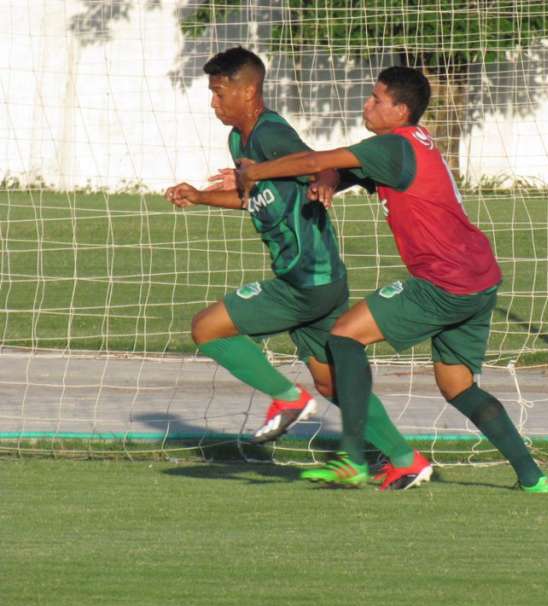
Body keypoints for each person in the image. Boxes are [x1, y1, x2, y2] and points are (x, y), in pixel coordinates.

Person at [227, 65, 548, 493]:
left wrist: (255, 172)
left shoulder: (391, 148)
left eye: (376, 99)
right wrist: (327, 179)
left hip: (443, 283)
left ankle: (351, 459)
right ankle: (533, 477)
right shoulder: (408, 145)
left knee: (344, 337)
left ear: (400, 110)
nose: (367, 103)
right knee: (458, 386)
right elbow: (333, 171)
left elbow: (314, 160)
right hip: (480, 279)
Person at [165, 48, 431, 491]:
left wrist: (325, 181)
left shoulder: (271, 134)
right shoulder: (239, 141)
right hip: (321, 280)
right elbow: (255, 195)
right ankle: (406, 459)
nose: (214, 103)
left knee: (207, 328)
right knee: (334, 385)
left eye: (219, 92)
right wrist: (199, 196)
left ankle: (288, 398)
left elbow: (317, 164)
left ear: (248, 90)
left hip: (306, 279)